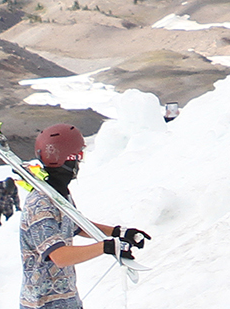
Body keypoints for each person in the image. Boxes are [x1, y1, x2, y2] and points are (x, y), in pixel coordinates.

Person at [18, 123, 150, 309]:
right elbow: (60, 256)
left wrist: (119, 232)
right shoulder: (40, 205)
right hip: (42, 305)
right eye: (77, 156)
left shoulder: (59, 194)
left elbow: (76, 225)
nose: (79, 163)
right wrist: (106, 246)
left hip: (68, 301)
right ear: (65, 158)